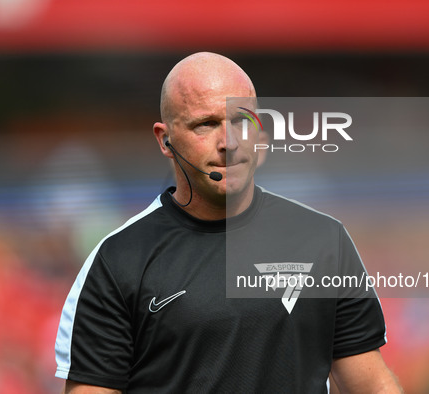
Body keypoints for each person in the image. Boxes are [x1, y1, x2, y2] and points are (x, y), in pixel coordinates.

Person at [55, 52, 402, 393]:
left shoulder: (324, 241)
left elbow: (371, 384)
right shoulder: (118, 261)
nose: (230, 142)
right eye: (205, 124)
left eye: (242, 121)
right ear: (165, 140)